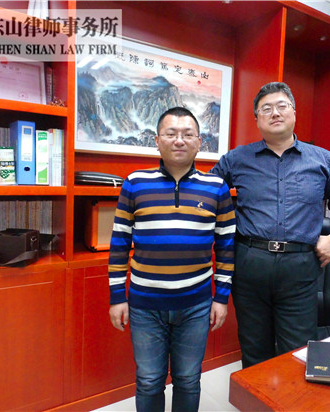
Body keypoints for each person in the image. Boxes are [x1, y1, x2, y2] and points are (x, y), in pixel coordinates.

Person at [210, 82, 330, 368]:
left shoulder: (322, 159)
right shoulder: (236, 159)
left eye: (282, 106)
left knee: (297, 353)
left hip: (300, 268)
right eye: (266, 109)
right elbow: (205, 194)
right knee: (254, 351)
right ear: (257, 119)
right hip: (250, 265)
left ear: (294, 112)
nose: (275, 113)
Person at [108, 107, 235, 412]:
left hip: (196, 305)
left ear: (199, 142)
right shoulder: (135, 183)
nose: (179, 140)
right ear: (157, 141)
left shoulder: (216, 187)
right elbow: (120, 242)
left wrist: (221, 298)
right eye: (171, 133)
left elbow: (227, 246)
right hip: (145, 305)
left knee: (188, 379)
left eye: (188, 134)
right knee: (149, 379)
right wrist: (117, 296)